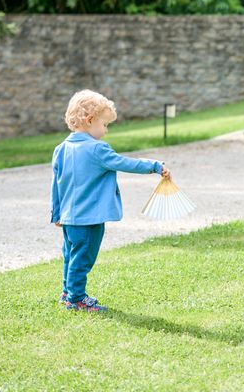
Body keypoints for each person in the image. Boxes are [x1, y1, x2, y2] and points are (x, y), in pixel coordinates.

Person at [51, 89, 170, 312]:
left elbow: (55, 185)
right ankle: (76, 299)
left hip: (68, 218)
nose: (105, 131)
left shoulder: (61, 149)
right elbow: (125, 163)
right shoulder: (97, 149)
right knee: (83, 258)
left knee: (70, 255)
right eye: (105, 124)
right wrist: (154, 165)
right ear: (89, 120)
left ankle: (67, 292)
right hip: (89, 219)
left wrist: (56, 214)